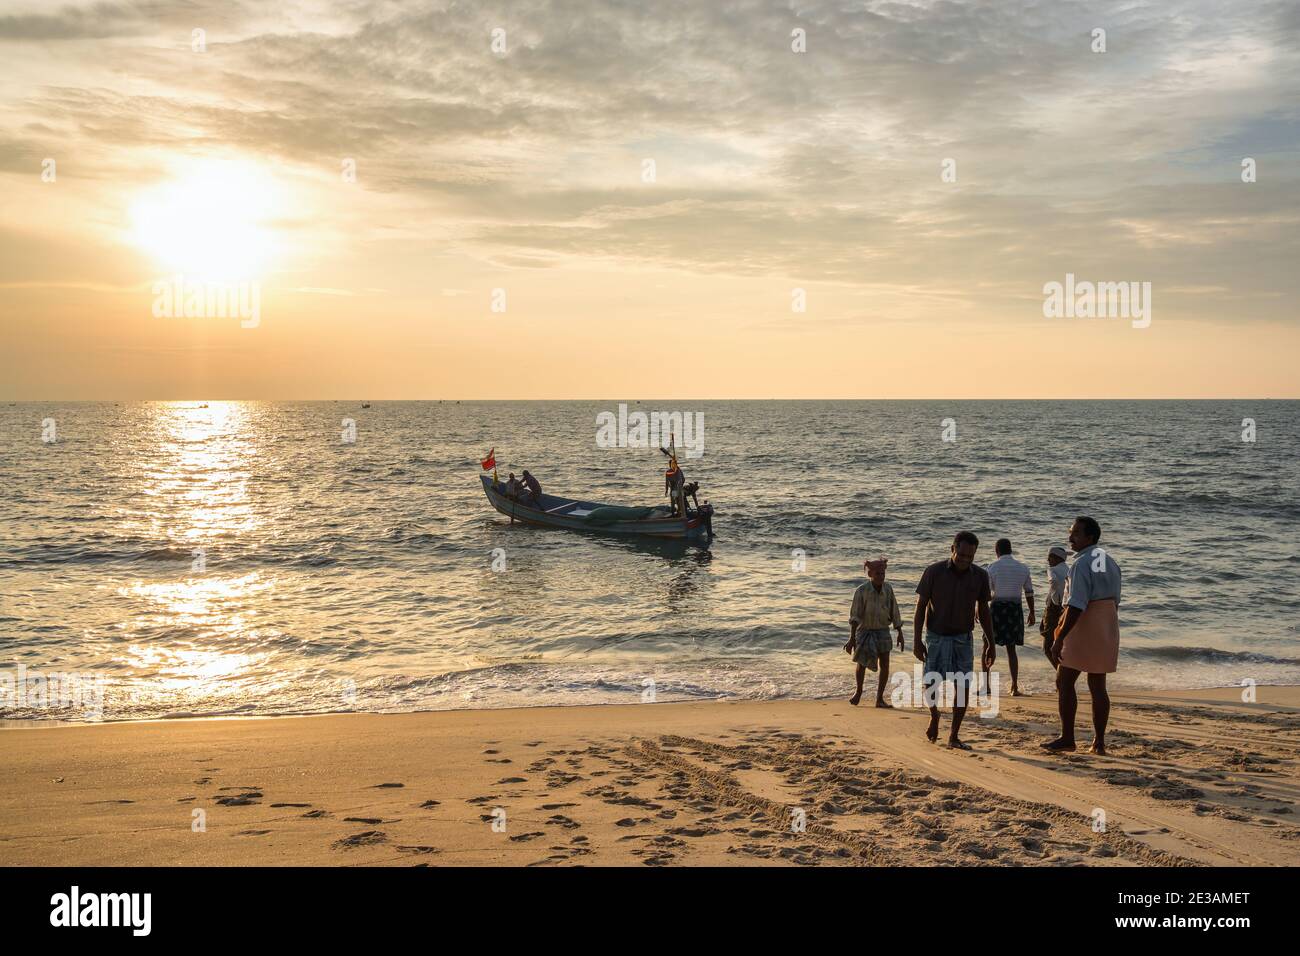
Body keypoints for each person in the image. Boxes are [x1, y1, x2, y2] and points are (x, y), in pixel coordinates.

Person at [1043, 516, 1121, 755]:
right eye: (1070, 532)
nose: (1070, 538)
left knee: (1064, 680)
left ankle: (1067, 737)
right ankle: (1098, 742)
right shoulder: (1108, 560)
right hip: (1107, 620)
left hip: (1085, 620)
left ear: (1090, 537)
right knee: (1097, 684)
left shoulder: (1080, 564)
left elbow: (1076, 605)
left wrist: (1059, 637)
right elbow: (1116, 599)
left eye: (1075, 533)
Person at [914, 531, 994, 749]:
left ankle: (954, 736)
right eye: (961, 555)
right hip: (936, 637)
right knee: (931, 683)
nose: (965, 560)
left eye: (970, 557)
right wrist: (916, 640)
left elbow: (984, 611)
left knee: (963, 686)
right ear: (953, 549)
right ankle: (934, 715)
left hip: (963, 638)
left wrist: (990, 644)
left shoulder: (979, 575)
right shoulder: (933, 571)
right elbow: (921, 607)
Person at [844, 557, 904, 708]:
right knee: (861, 663)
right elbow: (855, 616)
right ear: (870, 574)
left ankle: (879, 699)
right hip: (864, 632)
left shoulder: (888, 589)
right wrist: (851, 638)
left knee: (885, 664)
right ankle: (858, 692)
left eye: (883, 574)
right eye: (878, 574)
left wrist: (899, 632)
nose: (881, 577)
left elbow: (894, 611)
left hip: (883, 631)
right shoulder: (862, 591)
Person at [984, 538, 1035, 697]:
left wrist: (977, 611)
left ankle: (986, 686)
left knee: (987, 645)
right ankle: (1014, 686)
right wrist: (1032, 612)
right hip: (1015, 608)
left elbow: (987, 594)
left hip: (997, 608)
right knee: (1011, 649)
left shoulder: (992, 567)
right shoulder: (1023, 567)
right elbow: (1029, 592)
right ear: (1010, 550)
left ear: (996, 551)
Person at [1039, 546, 1069, 663]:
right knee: (1061, 642)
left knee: (1048, 647)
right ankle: (1063, 671)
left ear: (1057, 558)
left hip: (1053, 607)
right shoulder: (1070, 570)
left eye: (1050, 557)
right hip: (1066, 608)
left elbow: (1053, 581)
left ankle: (1060, 673)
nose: (1048, 560)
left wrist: (1055, 597)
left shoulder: (1052, 570)